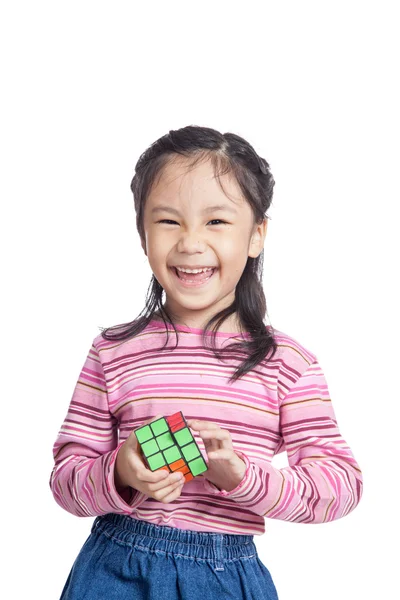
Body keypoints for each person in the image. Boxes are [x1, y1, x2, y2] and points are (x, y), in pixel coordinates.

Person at [49, 125, 363, 600]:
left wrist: (242, 477)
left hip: (227, 577)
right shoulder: (111, 352)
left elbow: (340, 485)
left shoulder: (289, 365)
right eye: (169, 221)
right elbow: (65, 480)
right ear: (142, 236)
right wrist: (120, 472)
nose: (190, 243)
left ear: (257, 235)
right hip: (114, 568)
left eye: (216, 221)